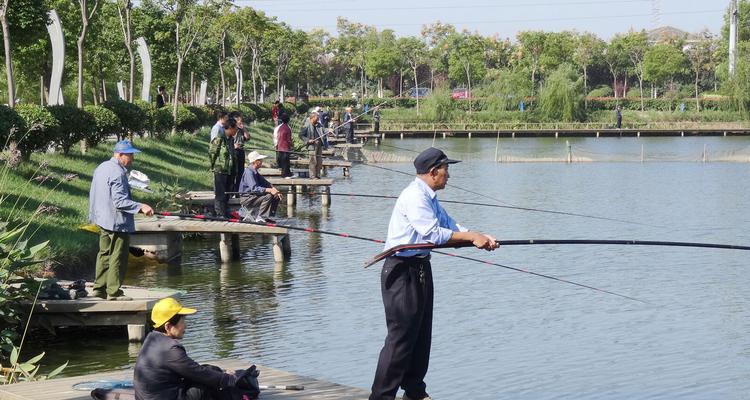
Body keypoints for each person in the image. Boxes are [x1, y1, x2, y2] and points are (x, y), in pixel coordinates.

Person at [369, 147, 498, 400]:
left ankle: (415, 391)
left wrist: (480, 236)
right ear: (433, 172)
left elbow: (448, 225)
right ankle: (381, 396)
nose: (448, 175)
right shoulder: (414, 197)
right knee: (401, 337)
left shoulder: (429, 197)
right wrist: (471, 237)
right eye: (446, 169)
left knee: (421, 335)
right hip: (400, 271)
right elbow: (433, 234)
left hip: (420, 268)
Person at [134, 297, 258, 400]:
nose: (185, 325)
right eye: (182, 321)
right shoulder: (171, 349)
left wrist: (222, 373)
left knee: (210, 370)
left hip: (159, 394)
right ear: (168, 326)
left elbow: (194, 369)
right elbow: (199, 374)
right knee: (207, 386)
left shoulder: (152, 338)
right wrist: (230, 379)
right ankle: (243, 397)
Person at [89, 140, 154, 301]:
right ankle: (113, 292)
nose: (132, 158)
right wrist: (141, 206)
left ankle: (99, 289)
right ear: (119, 154)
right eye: (130, 155)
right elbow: (120, 202)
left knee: (104, 254)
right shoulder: (118, 173)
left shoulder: (102, 167)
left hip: (102, 219)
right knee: (118, 256)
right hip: (116, 222)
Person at [238, 151, 282, 223]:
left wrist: (275, 190)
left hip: (254, 196)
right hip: (247, 198)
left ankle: (267, 217)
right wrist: (270, 190)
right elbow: (254, 189)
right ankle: (260, 217)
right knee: (269, 195)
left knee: (275, 196)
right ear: (256, 162)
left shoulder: (255, 171)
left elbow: (265, 182)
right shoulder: (249, 172)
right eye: (260, 160)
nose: (262, 161)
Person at [209, 118, 237, 218]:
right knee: (220, 194)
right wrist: (215, 165)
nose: (236, 131)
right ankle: (219, 213)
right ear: (230, 128)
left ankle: (225, 211)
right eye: (235, 129)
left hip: (230, 170)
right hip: (220, 169)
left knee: (228, 192)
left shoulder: (232, 139)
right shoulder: (219, 138)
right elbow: (212, 152)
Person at [299, 112, 324, 179]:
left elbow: (323, 130)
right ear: (312, 118)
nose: (318, 119)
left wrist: (329, 130)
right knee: (313, 161)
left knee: (319, 161)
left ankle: (317, 175)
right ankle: (312, 176)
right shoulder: (307, 125)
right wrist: (308, 140)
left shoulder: (318, 124)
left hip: (319, 145)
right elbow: (301, 135)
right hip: (312, 146)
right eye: (317, 118)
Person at [230, 111, 249, 192]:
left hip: (241, 151)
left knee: (241, 172)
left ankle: (238, 190)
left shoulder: (241, 129)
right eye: (239, 119)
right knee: (233, 172)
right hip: (233, 151)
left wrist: (243, 128)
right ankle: (232, 190)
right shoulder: (231, 128)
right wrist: (233, 146)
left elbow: (247, 137)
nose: (241, 121)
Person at [275, 112, 293, 178]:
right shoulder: (287, 128)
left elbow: (277, 137)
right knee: (286, 161)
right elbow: (289, 139)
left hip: (280, 147)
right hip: (285, 147)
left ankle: (287, 173)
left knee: (282, 161)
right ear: (288, 120)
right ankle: (285, 174)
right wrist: (292, 145)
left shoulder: (279, 128)